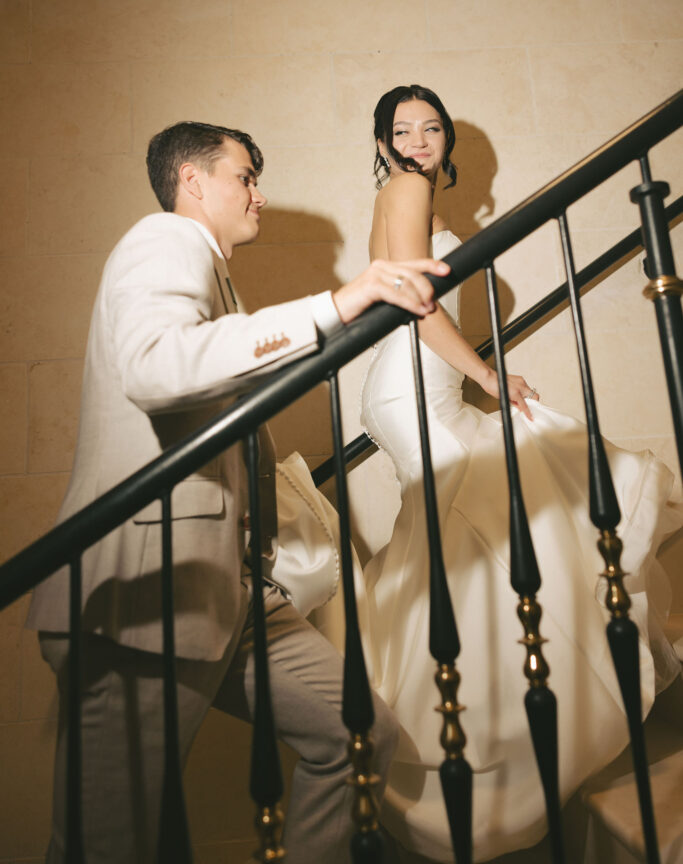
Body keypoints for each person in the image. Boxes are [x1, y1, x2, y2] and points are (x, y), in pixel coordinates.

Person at [25, 120, 451, 864]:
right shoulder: (165, 240)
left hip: (234, 590)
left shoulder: (214, 272)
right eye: (244, 176)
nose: (258, 193)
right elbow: (154, 365)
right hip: (146, 595)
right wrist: (335, 305)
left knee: (359, 735)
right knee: (106, 844)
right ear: (191, 182)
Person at [356, 85, 682, 862]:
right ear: (381, 146)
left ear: (447, 141)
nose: (418, 140)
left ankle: (498, 710)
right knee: (519, 487)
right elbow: (411, 298)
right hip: (413, 384)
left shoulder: (414, 194)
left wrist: (473, 377)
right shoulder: (404, 188)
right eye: (401, 130)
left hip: (415, 382)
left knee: (495, 520)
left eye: (431, 127)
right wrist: (488, 376)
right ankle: (505, 721)